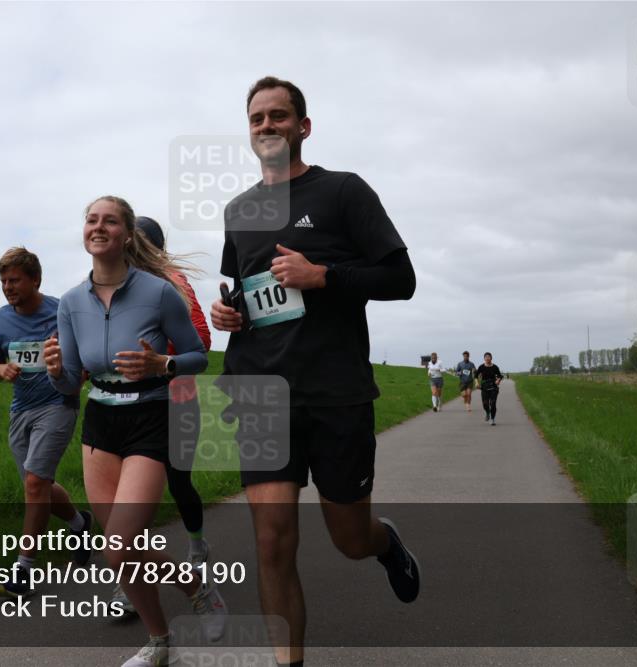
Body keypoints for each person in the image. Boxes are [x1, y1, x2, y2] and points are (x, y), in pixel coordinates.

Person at [210, 76, 420, 667]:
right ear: (249, 131)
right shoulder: (239, 211)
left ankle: (385, 542)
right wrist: (228, 313)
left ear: (303, 127)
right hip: (261, 393)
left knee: (349, 540)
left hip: (335, 391)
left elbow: (400, 281)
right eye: (257, 118)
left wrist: (323, 275)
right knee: (272, 543)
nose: (268, 126)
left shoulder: (345, 193)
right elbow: (248, 291)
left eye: (279, 116)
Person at [45, 196, 227, 667]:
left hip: (152, 415)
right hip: (100, 421)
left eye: (110, 220)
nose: (98, 226)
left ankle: (193, 589)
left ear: (127, 235)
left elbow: (197, 356)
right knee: (125, 549)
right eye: (91, 219)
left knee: (119, 546)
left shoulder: (160, 291)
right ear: (84, 232)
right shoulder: (69, 303)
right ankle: (160, 640)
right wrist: (53, 371)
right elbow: (70, 381)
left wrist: (160, 362)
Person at [108, 216, 213, 617]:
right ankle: (128, 585)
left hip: (177, 397)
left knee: (180, 481)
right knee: (132, 498)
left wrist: (158, 359)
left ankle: (198, 545)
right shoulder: (112, 289)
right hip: (129, 405)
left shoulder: (174, 284)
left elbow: (201, 340)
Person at [0, 247, 93, 597]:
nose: (7, 287)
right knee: (39, 485)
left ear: (35, 279)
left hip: (58, 404)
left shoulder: (62, 312)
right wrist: (1, 369)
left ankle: (23, 570)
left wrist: (74, 377)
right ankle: (80, 525)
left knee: (34, 483)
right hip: (21, 409)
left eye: (14, 280)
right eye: (3, 281)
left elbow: (87, 357)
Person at [476, 352, 503, 425]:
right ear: (484, 358)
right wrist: (477, 383)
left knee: (493, 403)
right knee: (485, 404)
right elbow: (476, 376)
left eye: (489, 357)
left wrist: (498, 380)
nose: (487, 358)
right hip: (484, 387)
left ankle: (492, 419)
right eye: (486, 357)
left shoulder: (495, 367)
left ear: (491, 358)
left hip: (493, 387)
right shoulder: (481, 367)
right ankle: (487, 412)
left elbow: (500, 376)